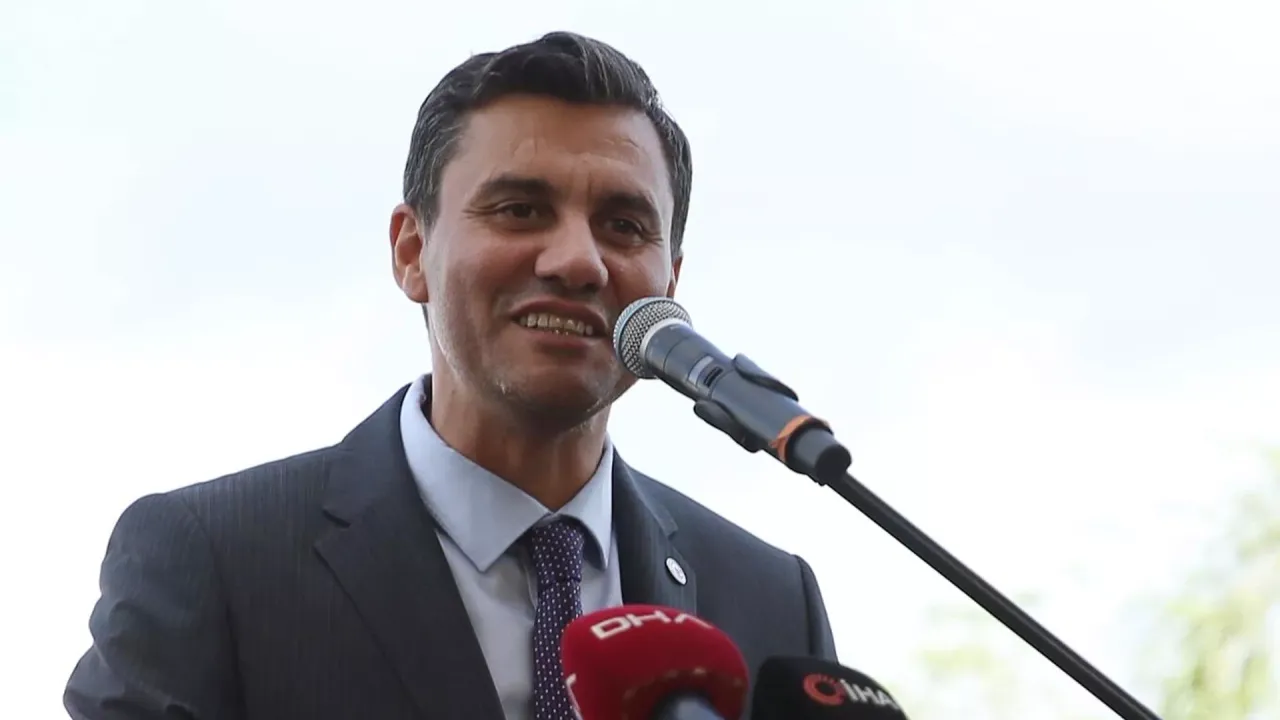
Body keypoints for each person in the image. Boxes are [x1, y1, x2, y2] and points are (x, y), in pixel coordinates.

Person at [64, 31, 838, 720]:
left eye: (624, 226)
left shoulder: (772, 600)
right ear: (411, 252)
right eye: (520, 210)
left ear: (670, 281)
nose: (578, 260)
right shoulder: (216, 561)